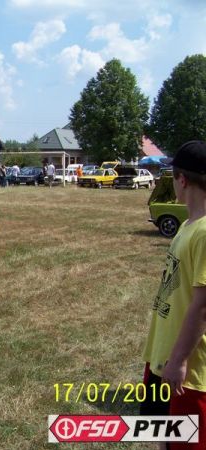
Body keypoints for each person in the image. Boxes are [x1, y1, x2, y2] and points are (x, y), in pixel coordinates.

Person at [141, 140, 206, 450]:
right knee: (161, 438)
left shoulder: (205, 232)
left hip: (187, 371)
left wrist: (179, 360)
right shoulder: (189, 226)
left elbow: (203, 305)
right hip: (163, 358)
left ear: (182, 180)